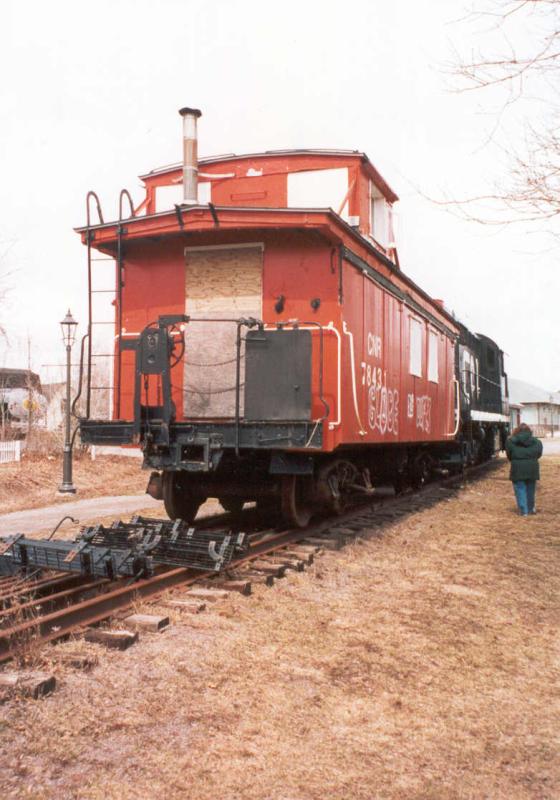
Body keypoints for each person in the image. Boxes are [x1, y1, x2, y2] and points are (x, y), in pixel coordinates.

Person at [505, 423, 543, 516]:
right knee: (531, 489)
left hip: (517, 468)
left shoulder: (510, 442)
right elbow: (538, 454)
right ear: (529, 431)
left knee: (520, 488)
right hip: (532, 468)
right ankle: (531, 509)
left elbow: (509, 455)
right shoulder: (537, 442)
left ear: (517, 431)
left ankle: (523, 511)